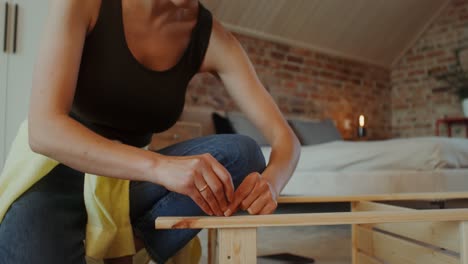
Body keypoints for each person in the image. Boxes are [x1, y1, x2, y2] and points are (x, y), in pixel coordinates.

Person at [0, 0, 300, 263]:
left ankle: (131, 243)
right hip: (55, 178)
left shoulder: (212, 38)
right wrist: (159, 166)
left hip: (127, 187)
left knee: (242, 155)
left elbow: (286, 139)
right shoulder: (85, 2)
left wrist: (272, 183)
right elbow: (43, 130)